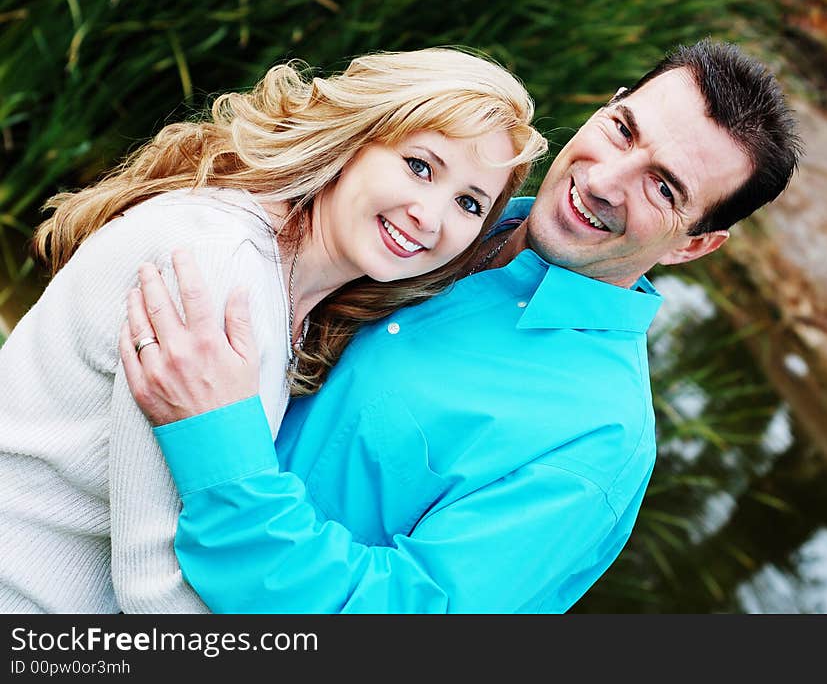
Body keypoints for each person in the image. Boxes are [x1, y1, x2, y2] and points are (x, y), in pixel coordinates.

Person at [122, 39, 802, 613]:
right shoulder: (443, 207)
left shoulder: (598, 444)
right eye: (623, 129)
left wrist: (219, 447)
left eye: (664, 187)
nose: (604, 180)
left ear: (694, 245)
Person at [0, 48, 547, 613]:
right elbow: (157, 590)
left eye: (468, 203)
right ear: (355, 139)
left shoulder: (290, 289)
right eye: (419, 166)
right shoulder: (221, 271)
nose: (429, 217)